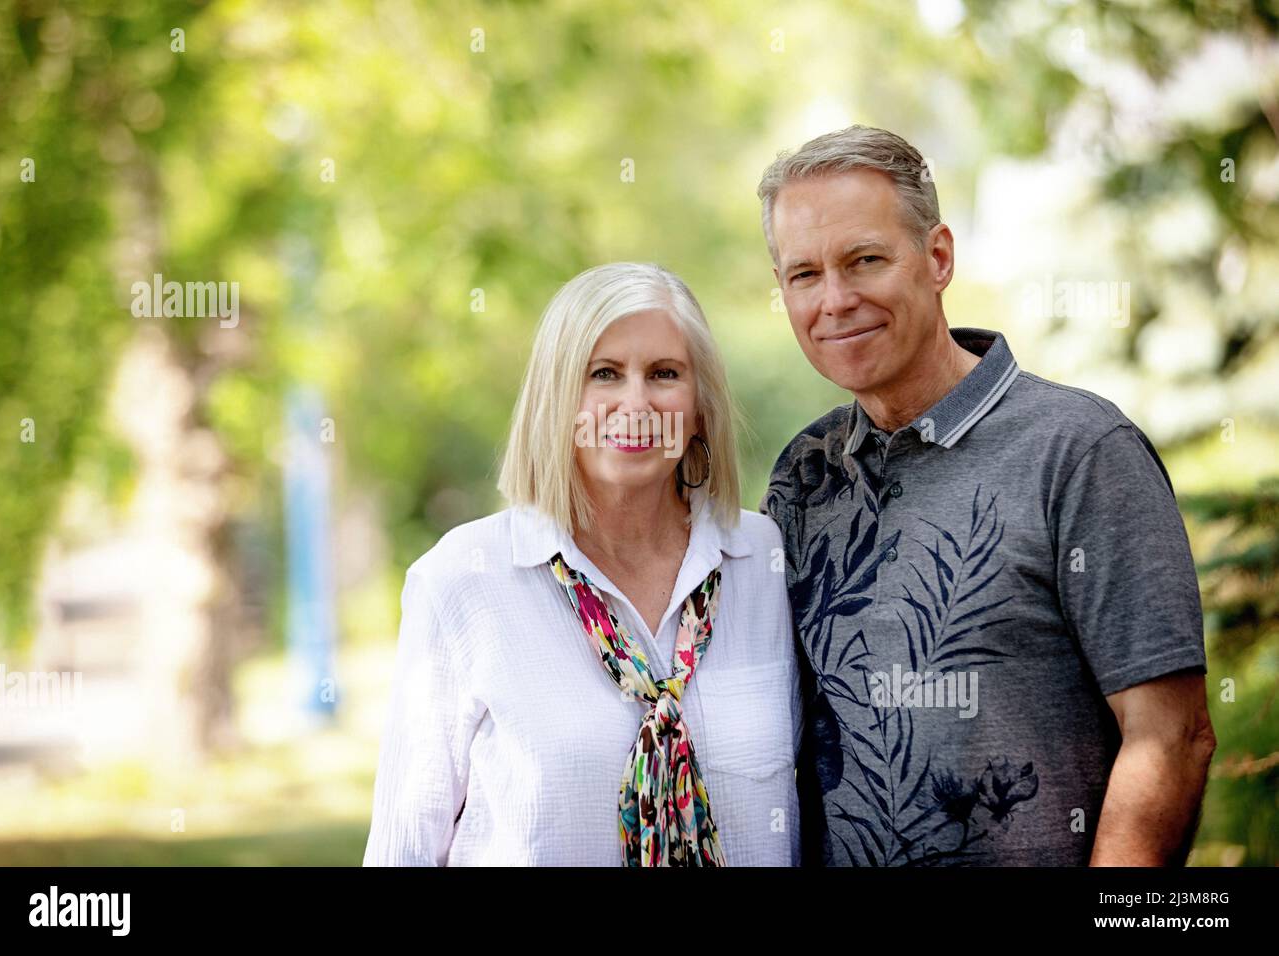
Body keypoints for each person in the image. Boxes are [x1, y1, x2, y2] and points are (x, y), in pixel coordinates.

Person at [757, 126, 1216, 866]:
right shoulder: (802, 477)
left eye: (865, 260)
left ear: (938, 258)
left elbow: (1172, 736)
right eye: (804, 274)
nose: (835, 300)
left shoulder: (1079, 451)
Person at [364, 262, 802, 866]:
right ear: (558, 400)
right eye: (604, 373)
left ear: (701, 405)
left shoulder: (765, 562)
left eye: (665, 373)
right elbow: (404, 850)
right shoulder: (461, 579)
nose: (636, 403)